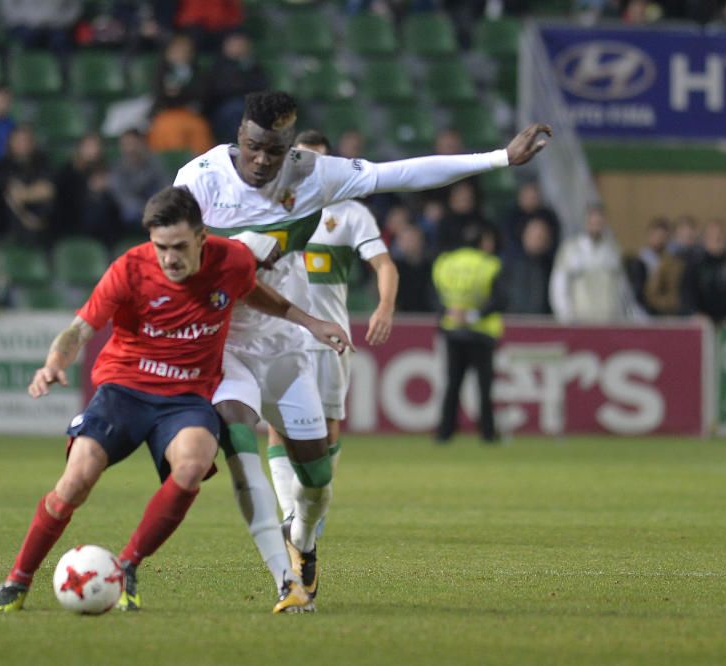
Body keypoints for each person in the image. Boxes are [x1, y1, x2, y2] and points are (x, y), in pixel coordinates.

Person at [174, 90, 549, 609]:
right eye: (254, 147)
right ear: (239, 134)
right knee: (239, 439)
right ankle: (284, 579)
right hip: (224, 343)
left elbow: (403, 173)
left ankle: (302, 542)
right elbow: (167, 254)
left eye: (274, 151)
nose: (262, 161)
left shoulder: (312, 174)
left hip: (286, 341)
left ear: (290, 147)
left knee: (318, 478)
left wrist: (499, 158)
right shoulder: (198, 178)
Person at [0, 186, 352, 615]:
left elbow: (253, 291)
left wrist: (310, 322)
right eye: (161, 247)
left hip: (187, 397)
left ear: (201, 238)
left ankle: (128, 566)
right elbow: (80, 328)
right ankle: (18, 579)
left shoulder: (229, 260)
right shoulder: (130, 269)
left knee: (194, 464)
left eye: (179, 247)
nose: (170, 258)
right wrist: (53, 363)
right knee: (76, 480)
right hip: (124, 389)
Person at [264, 129, 399, 544]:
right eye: (302, 159)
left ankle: (316, 504)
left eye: (319, 161)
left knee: (327, 427)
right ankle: (291, 510)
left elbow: (385, 266)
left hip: (328, 339)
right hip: (280, 334)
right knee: (276, 427)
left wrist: (385, 306)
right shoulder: (271, 207)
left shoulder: (350, 213)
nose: (309, 168)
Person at [433, 223, 504, 443]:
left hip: (453, 330)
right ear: (483, 242)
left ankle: (445, 432)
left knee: (453, 383)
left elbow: (433, 295)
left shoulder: (444, 263)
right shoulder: (490, 264)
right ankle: (487, 432)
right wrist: (473, 315)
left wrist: (448, 312)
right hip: (481, 332)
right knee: (484, 386)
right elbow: (500, 299)